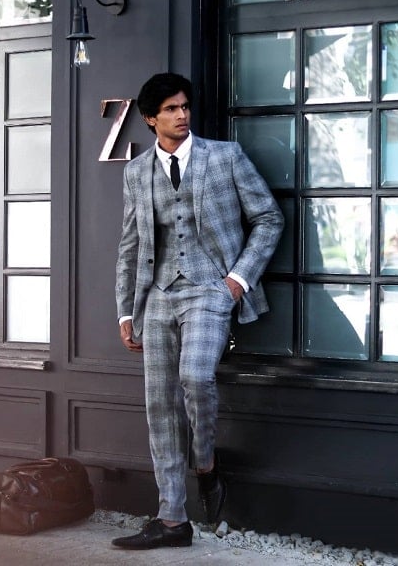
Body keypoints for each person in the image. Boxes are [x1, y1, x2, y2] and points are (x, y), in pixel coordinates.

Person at [112, 73, 284, 550]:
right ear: (151, 119)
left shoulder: (225, 157)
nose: (182, 115)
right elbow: (130, 245)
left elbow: (268, 217)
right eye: (171, 109)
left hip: (211, 288)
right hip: (157, 295)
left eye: (185, 106)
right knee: (159, 405)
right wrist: (125, 311)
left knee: (195, 377)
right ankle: (172, 519)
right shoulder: (136, 172)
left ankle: (205, 462)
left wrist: (237, 280)